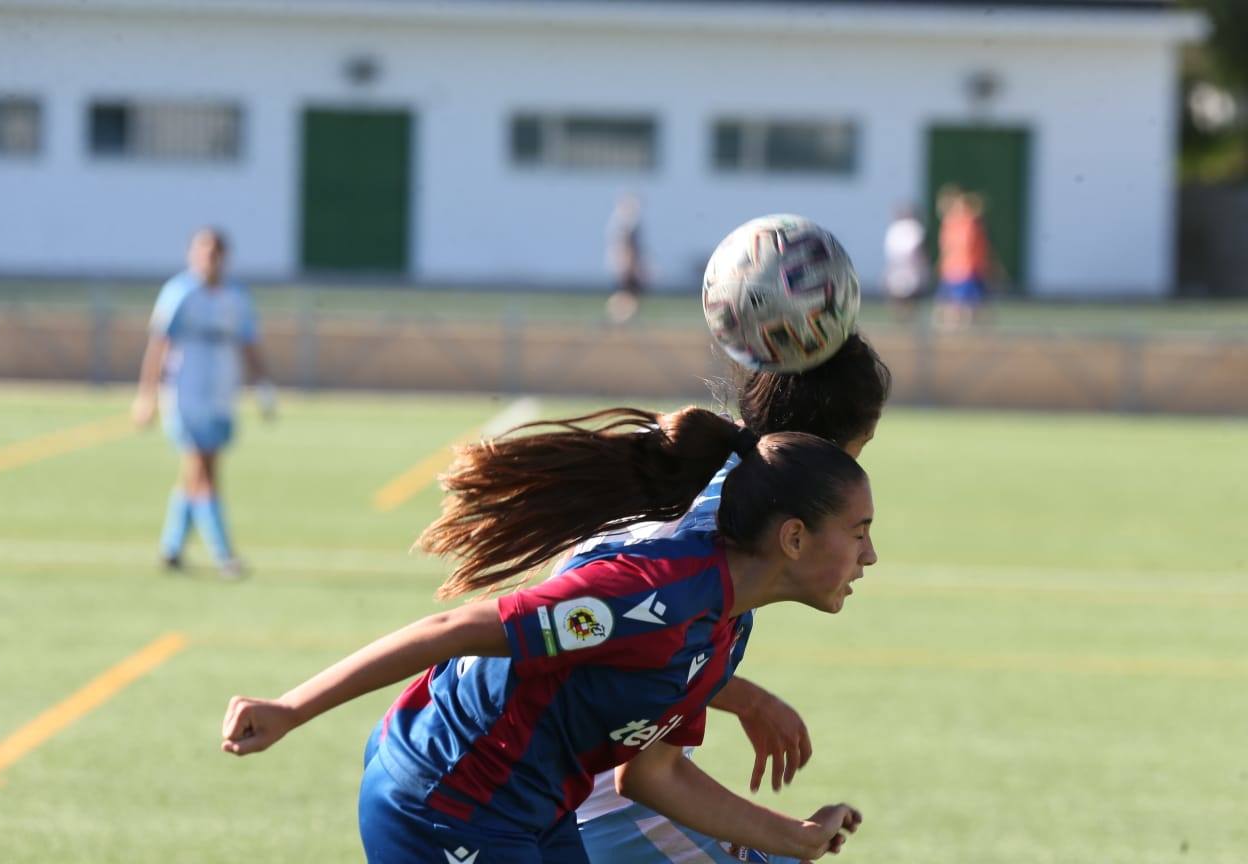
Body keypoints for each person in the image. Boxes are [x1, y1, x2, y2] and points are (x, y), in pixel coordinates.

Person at [222, 406, 874, 862]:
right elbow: (453, 629)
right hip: (443, 799)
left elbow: (653, 777)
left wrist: (795, 837)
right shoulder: (650, 597)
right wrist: (290, 708)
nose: (869, 556)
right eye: (858, 531)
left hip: (528, 811)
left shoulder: (728, 628)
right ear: (793, 537)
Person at [573, 333, 890, 864]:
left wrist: (741, 695)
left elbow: (627, 642)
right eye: (862, 447)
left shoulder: (705, 473)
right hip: (591, 797)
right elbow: (647, 774)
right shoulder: (721, 554)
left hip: (567, 782)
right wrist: (793, 836)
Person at [131, 227, 274, 578]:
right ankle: (225, 555)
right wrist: (146, 395)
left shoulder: (236, 297)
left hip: (222, 394)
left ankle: (171, 548)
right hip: (186, 393)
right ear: (192, 254)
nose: (209, 258)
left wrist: (263, 387)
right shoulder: (180, 293)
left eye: (215, 252)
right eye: (203, 251)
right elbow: (159, 344)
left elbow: (248, 343)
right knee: (204, 471)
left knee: (195, 473)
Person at [934, 189, 992, 331]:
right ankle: (950, 331)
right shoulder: (951, 224)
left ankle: (968, 332)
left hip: (966, 269)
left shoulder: (969, 225)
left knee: (968, 305)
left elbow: (968, 246)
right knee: (950, 304)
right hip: (954, 269)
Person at [882, 202, 930, 323]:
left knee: (901, 294)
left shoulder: (896, 228)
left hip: (901, 266)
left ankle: (903, 318)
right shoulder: (913, 227)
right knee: (908, 295)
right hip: (908, 266)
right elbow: (918, 248)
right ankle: (907, 318)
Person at [605, 192, 646, 324]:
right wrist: (630, 266)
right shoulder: (626, 225)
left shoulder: (622, 223)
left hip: (627, 266)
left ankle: (620, 318)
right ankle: (618, 318)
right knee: (627, 295)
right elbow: (627, 247)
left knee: (629, 295)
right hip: (627, 267)